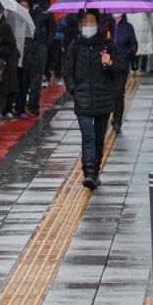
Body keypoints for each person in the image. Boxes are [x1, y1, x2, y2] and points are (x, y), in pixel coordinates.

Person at [64, 10, 116, 190]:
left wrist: (110, 63)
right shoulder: (75, 46)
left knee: (99, 137)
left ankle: (96, 170)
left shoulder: (106, 44)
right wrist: (74, 89)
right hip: (83, 99)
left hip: (103, 99)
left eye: (91, 22)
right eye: (85, 22)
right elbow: (67, 70)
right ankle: (89, 172)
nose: (88, 26)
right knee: (88, 136)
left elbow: (119, 69)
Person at [103, 12, 137, 133]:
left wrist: (129, 52)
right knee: (107, 94)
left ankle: (117, 121)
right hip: (107, 65)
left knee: (118, 93)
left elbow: (134, 44)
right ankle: (104, 119)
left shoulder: (128, 27)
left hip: (121, 66)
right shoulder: (106, 26)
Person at [23, 0, 56, 116]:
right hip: (29, 46)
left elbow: (52, 29)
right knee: (27, 77)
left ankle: (33, 105)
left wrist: (46, 44)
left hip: (39, 47)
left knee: (35, 78)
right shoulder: (29, 11)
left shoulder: (45, 12)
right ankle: (27, 103)